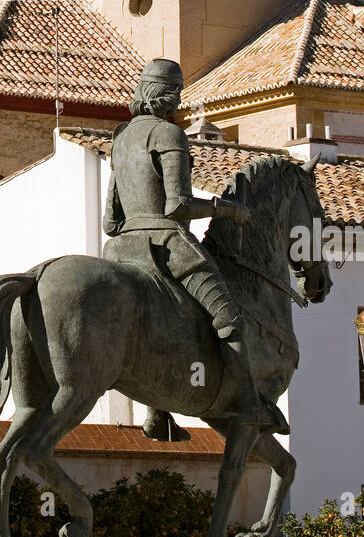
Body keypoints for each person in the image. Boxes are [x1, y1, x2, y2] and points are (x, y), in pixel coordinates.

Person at [102, 58, 288, 440]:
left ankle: (156, 413)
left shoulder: (121, 138)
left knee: (160, 319)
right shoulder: (169, 136)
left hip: (120, 249)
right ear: (168, 97)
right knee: (230, 317)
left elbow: (110, 221)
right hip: (167, 245)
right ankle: (251, 404)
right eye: (178, 94)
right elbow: (177, 206)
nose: (179, 102)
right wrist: (226, 210)